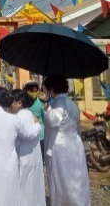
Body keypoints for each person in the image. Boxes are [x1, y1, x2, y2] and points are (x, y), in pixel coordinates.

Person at [41, 74, 90, 206]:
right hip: (74, 145)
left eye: (47, 89)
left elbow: (53, 121)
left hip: (60, 148)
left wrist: (46, 106)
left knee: (61, 181)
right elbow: (77, 127)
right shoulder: (72, 104)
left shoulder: (59, 103)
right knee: (75, 180)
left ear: (51, 89)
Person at [8, 89, 46, 206]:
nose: (9, 104)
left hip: (24, 158)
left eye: (11, 101)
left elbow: (27, 135)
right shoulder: (29, 114)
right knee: (33, 187)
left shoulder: (19, 117)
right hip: (32, 157)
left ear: (19, 103)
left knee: (24, 189)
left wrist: (38, 125)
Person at [24, 80, 45, 162]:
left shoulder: (41, 103)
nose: (33, 92)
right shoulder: (23, 102)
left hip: (40, 137)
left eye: (35, 90)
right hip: (27, 135)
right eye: (31, 90)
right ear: (26, 91)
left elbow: (44, 118)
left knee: (40, 161)